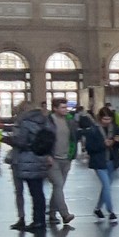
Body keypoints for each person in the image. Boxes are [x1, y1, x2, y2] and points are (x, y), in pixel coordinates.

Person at [8, 101, 54, 232]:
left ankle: (35, 221)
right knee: (38, 192)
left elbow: (21, 141)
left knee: (27, 191)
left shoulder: (25, 123)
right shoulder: (45, 121)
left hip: (26, 159)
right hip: (41, 158)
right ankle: (40, 220)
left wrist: (11, 139)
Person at [79, 109, 119, 222]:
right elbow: (89, 148)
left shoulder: (115, 128)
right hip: (99, 163)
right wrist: (103, 145)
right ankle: (111, 211)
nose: (107, 121)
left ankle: (97, 209)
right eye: (105, 119)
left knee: (106, 187)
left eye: (109, 119)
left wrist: (118, 141)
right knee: (106, 186)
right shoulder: (93, 130)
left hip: (112, 161)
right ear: (100, 118)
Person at [45, 97, 78, 228]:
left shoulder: (69, 121)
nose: (66, 110)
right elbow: (45, 138)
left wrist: (72, 154)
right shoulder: (49, 122)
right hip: (53, 159)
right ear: (55, 108)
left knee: (58, 187)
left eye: (66, 107)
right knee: (58, 184)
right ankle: (65, 214)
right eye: (63, 107)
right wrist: (47, 154)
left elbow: (73, 138)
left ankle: (52, 214)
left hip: (66, 158)